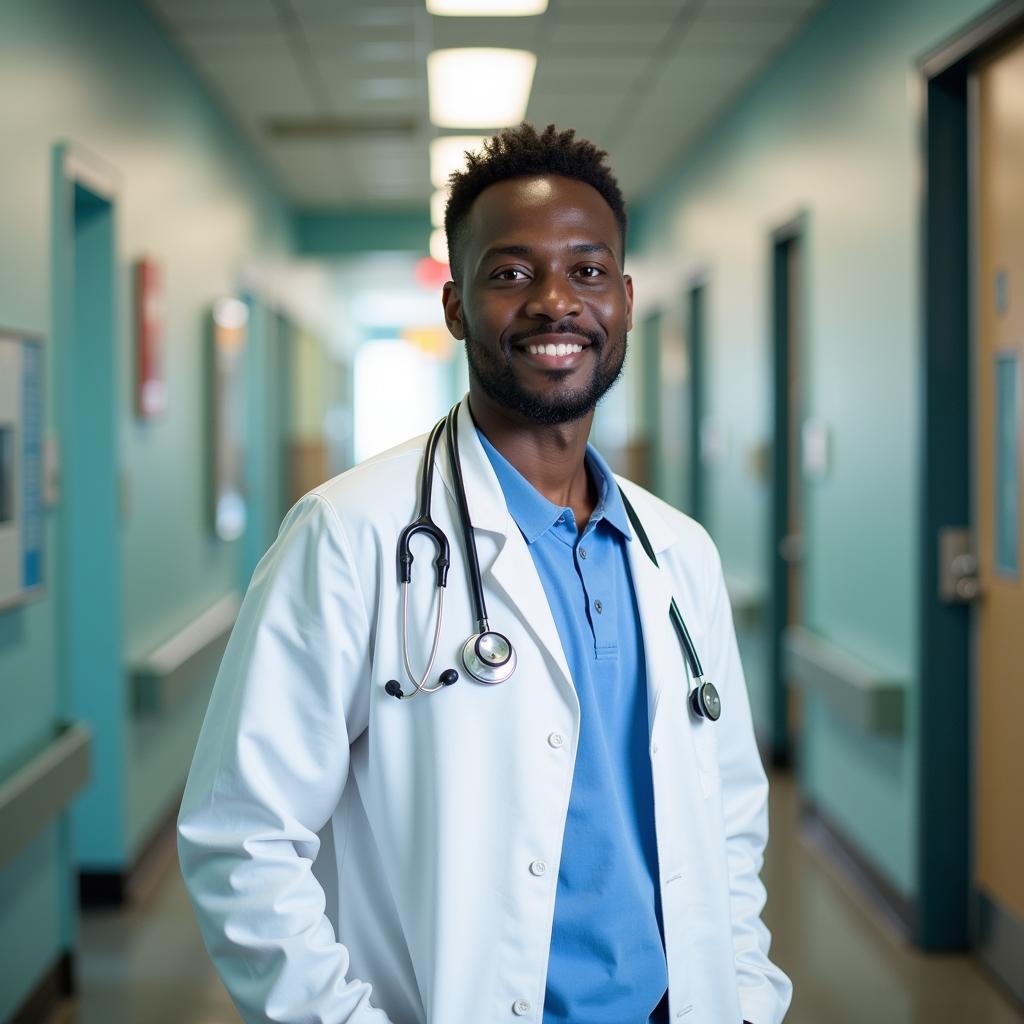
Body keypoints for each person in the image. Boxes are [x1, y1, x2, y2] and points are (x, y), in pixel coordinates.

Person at [178, 123, 792, 1024]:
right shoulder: (350, 535)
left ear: (624, 298)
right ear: (457, 307)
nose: (556, 302)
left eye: (587, 271)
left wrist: (745, 1001)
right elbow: (243, 838)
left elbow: (729, 822)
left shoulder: (679, 553)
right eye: (511, 273)